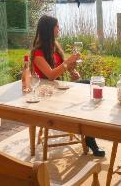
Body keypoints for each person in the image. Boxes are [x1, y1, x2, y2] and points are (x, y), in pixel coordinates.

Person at [30, 15, 105, 157]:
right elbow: (51, 75)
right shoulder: (38, 53)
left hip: (60, 89)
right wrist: (67, 63)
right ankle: (89, 135)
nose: (59, 29)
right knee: (87, 87)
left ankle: (89, 132)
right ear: (49, 29)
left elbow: (62, 66)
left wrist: (72, 70)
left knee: (89, 85)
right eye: (57, 26)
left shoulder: (54, 47)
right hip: (48, 95)